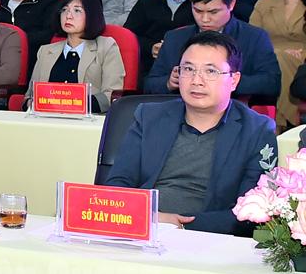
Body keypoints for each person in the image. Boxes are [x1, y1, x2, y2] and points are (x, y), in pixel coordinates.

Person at [105, 31, 277, 235]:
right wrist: (148, 218)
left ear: (234, 80)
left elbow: (252, 211)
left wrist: (179, 224)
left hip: (206, 237)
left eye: (210, 71)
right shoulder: (149, 116)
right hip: (141, 229)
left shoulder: (258, 130)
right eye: (188, 69)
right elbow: (118, 184)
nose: (196, 80)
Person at [144, 0, 280, 105]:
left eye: (213, 12)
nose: (204, 19)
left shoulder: (254, 37)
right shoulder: (175, 38)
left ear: (231, 5)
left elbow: (271, 82)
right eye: (198, 11)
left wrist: (224, 80)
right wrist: (169, 82)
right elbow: (149, 84)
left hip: (235, 109)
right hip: (181, 109)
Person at [28, 0, 125, 112]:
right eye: (64, 10)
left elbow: (110, 96)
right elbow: (30, 96)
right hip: (46, 118)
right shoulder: (46, 51)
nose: (68, 16)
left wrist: (69, 103)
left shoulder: (106, 47)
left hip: (90, 119)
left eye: (77, 10)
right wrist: (31, 103)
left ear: (91, 16)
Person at [248, 0, 306, 128]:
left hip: (303, 64)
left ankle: (280, 124)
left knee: (284, 59)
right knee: (280, 57)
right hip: (267, 59)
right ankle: (288, 123)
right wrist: (278, 51)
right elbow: (252, 41)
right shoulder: (263, 5)